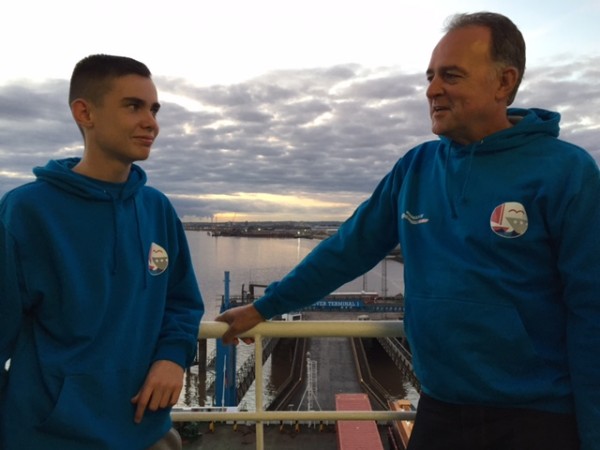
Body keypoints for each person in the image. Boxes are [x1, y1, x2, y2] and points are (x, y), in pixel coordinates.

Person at [216, 12, 600, 450]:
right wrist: (266, 306)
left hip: (536, 418)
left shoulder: (567, 172)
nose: (432, 90)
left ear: (503, 82)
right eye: (431, 76)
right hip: (439, 407)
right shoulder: (415, 168)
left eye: (451, 76)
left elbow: (592, 312)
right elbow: (347, 250)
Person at [0, 55, 204, 449]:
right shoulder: (27, 213)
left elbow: (181, 301)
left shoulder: (157, 209)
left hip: (142, 427)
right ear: (84, 112)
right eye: (133, 106)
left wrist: (172, 357)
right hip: (50, 434)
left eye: (154, 109)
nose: (151, 123)